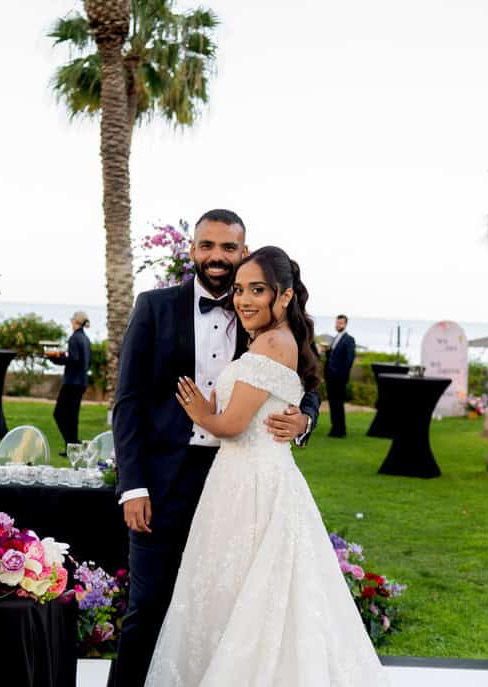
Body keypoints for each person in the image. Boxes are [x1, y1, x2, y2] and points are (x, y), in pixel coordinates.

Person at [144, 246, 387, 686]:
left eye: (257, 290)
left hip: (251, 481)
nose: (244, 300)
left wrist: (203, 414)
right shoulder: (261, 337)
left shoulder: (272, 341)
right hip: (239, 476)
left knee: (250, 589)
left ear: (285, 295)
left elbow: (233, 425)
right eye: (240, 290)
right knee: (241, 588)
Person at [112, 210, 321, 687]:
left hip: (236, 488)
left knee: (223, 609)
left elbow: (305, 379)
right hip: (162, 483)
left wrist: (305, 418)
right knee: (149, 605)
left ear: (243, 253)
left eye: (228, 248)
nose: (217, 257)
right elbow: (127, 403)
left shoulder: (261, 313)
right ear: (192, 251)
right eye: (207, 246)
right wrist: (133, 487)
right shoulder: (153, 306)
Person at [51, 310, 92, 453]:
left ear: (76, 322)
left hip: (72, 383)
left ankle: (72, 443)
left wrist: (56, 359)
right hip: (81, 382)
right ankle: (73, 447)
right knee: (72, 415)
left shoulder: (75, 338)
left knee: (59, 414)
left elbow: (73, 359)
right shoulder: (85, 339)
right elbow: (85, 360)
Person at [324, 314, 356, 437]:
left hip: (339, 379)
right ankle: (334, 428)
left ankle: (340, 430)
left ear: (345, 324)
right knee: (333, 404)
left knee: (338, 404)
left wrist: (342, 377)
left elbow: (349, 360)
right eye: (337, 323)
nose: (338, 325)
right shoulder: (335, 338)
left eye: (341, 323)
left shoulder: (349, 339)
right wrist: (327, 352)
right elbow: (332, 357)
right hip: (330, 377)